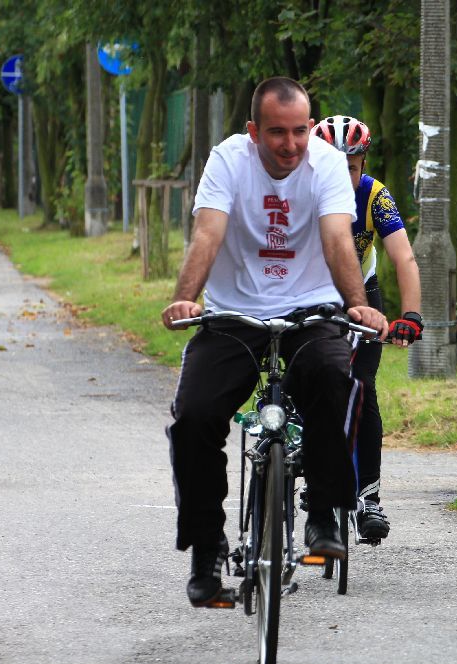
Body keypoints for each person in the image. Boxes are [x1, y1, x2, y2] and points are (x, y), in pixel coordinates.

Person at [161, 77, 389, 607]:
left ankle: (324, 512)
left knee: (337, 382)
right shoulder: (227, 161)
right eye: (276, 133)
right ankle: (207, 547)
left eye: (299, 132)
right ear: (252, 132)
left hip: (312, 310)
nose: (290, 144)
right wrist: (186, 299)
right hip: (233, 313)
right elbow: (208, 233)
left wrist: (356, 301)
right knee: (194, 416)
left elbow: (337, 238)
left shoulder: (328, 165)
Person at [312, 115, 423, 540]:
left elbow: (404, 257)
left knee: (363, 387)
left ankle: (369, 497)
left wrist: (410, 316)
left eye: (352, 168)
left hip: (363, 291)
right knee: (309, 377)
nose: (343, 177)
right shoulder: (300, 190)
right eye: (332, 167)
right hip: (312, 292)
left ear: (364, 163)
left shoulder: (375, 196)